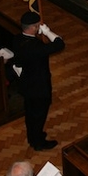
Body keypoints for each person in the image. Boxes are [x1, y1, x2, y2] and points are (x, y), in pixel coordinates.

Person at [12, 11, 65, 151]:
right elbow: (59, 44)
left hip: (26, 84)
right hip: (39, 88)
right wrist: (47, 32)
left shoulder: (17, 39)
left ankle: (33, 137)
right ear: (34, 27)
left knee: (30, 113)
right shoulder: (36, 47)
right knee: (39, 115)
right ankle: (38, 142)